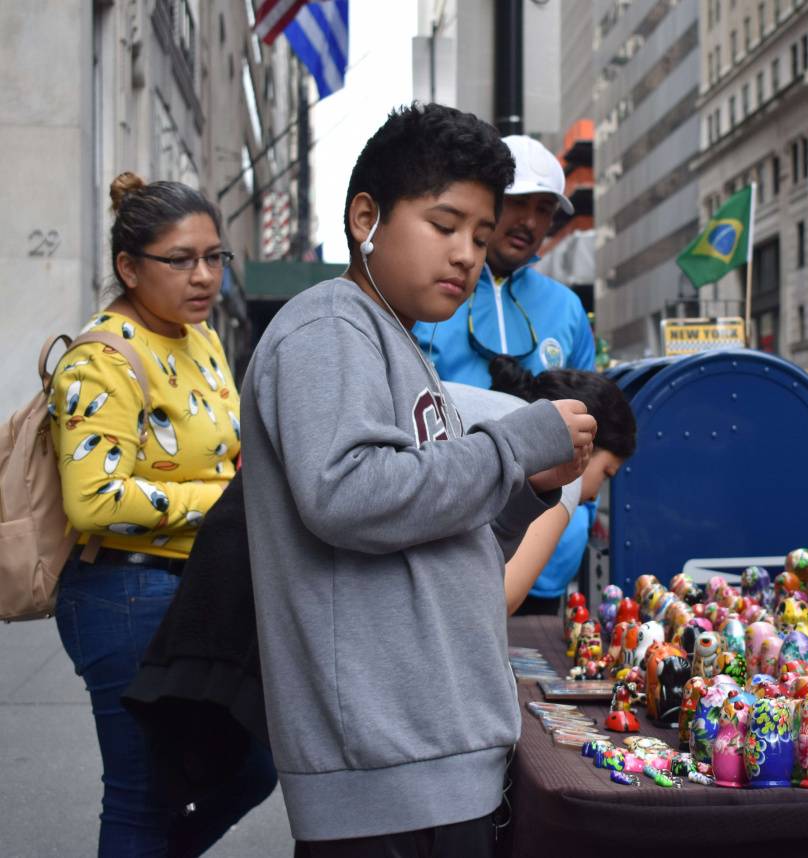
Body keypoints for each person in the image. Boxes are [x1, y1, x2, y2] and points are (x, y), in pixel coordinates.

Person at [239, 103, 595, 856]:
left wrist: (523, 489)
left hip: (430, 752)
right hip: (384, 769)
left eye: (479, 232)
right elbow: (348, 495)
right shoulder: (327, 329)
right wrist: (516, 440)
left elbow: (432, 521)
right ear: (366, 216)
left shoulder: (396, 342)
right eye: (444, 224)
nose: (467, 253)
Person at [48, 172, 275, 856]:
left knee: (250, 767)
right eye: (180, 260)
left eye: (214, 258)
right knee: (143, 793)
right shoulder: (101, 359)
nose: (203, 276)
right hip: (122, 594)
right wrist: (225, 501)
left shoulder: (200, 338)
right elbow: (93, 500)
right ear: (128, 266)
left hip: (199, 589)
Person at [454, 356, 636, 615]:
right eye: (606, 474)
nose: (594, 495)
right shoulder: (565, 456)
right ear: (587, 441)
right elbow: (502, 596)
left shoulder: (501, 411)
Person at [412, 133, 594, 385]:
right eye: (518, 202)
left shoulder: (568, 308)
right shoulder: (425, 290)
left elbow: (591, 410)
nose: (529, 222)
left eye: (543, 209)